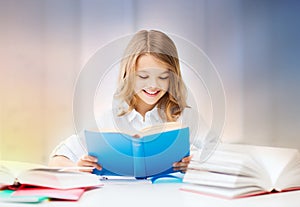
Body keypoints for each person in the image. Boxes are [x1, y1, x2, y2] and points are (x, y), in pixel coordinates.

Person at [49, 30, 196, 174]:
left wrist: (194, 165)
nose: (153, 85)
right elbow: (57, 159)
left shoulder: (185, 117)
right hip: (118, 197)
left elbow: (215, 155)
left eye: (163, 77)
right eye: (143, 77)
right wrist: (78, 168)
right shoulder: (110, 120)